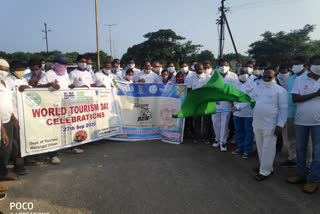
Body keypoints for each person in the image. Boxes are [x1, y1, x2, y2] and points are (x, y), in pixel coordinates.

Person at [287, 55, 320, 193]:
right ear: (310, 65)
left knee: (318, 153)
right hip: (301, 121)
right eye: (317, 64)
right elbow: (295, 98)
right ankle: (300, 174)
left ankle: (313, 179)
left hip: (319, 122)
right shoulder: (300, 80)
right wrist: (316, 94)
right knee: (301, 149)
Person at [38, 54, 76, 164]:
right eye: (61, 64)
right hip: (52, 107)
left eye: (65, 64)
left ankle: (71, 147)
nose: (63, 66)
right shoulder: (49, 74)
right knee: (53, 130)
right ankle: (53, 154)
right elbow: (38, 87)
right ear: (55, 64)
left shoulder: (65, 74)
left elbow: (68, 85)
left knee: (67, 127)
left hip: (65, 105)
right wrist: (49, 85)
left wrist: (71, 86)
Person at [251, 68, 288, 181]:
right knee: (260, 147)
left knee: (269, 148)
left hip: (271, 125)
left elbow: (284, 109)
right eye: (264, 77)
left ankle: (265, 171)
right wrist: (237, 107)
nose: (266, 79)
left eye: (269, 77)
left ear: (275, 77)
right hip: (257, 123)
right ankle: (265, 166)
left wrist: (280, 124)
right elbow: (249, 100)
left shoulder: (280, 91)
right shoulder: (257, 88)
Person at [280, 56, 311, 168]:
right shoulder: (290, 78)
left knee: (305, 140)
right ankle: (293, 158)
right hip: (290, 113)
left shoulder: (309, 77)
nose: (294, 67)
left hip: (303, 113)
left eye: (297, 64)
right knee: (291, 137)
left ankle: (307, 163)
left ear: (305, 66)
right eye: (293, 65)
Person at [5, 61, 30, 175]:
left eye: (22, 69)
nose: (21, 71)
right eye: (19, 69)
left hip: (25, 115)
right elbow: (6, 102)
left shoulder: (24, 79)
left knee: (24, 140)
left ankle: (27, 161)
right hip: (13, 116)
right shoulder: (7, 81)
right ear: (13, 69)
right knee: (16, 143)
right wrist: (13, 118)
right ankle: (18, 166)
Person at [211, 59, 238, 151]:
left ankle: (223, 142)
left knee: (224, 123)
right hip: (215, 102)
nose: (223, 67)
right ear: (218, 66)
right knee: (215, 122)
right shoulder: (213, 75)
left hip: (227, 103)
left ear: (229, 66)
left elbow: (236, 90)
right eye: (221, 65)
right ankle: (217, 139)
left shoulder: (234, 76)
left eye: (225, 65)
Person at [0, 58, 19, 181]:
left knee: (6, 150)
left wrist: (14, 118)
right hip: (0, 124)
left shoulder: (5, 83)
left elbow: (8, 102)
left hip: (7, 120)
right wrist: (2, 130)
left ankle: (3, 173)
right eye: (2, 69)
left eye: (6, 70)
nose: (4, 72)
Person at [231, 67, 254, 159]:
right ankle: (240, 147)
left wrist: (238, 106)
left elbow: (250, 99)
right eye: (242, 73)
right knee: (239, 131)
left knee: (248, 132)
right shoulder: (234, 83)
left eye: (246, 73)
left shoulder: (252, 84)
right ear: (238, 74)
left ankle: (247, 150)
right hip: (237, 113)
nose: (244, 74)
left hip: (248, 113)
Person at [188, 64, 210, 144]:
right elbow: (189, 90)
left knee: (206, 121)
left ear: (203, 69)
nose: (199, 71)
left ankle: (206, 138)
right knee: (196, 121)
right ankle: (197, 137)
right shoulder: (190, 78)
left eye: (201, 69)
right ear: (195, 69)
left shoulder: (208, 77)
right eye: (198, 69)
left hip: (205, 103)